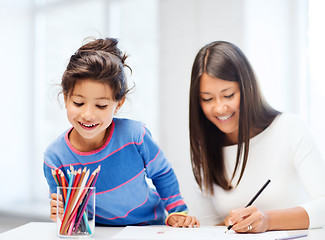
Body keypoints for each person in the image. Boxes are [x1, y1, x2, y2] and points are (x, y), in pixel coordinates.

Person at [43, 37, 199, 228]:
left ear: (119, 104)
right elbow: (67, 214)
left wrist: (177, 211)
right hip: (98, 232)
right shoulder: (55, 158)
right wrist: (60, 213)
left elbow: (161, 173)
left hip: (149, 226)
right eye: (78, 103)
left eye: (101, 105)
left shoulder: (135, 135)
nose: (88, 115)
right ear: (66, 97)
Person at [188, 40, 325, 233]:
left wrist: (268, 220)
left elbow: (323, 206)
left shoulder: (290, 128)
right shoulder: (206, 150)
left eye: (228, 95)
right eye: (207, 99)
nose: (219, 108)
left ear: (247, 88)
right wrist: (228, 223)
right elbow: (207, 228)